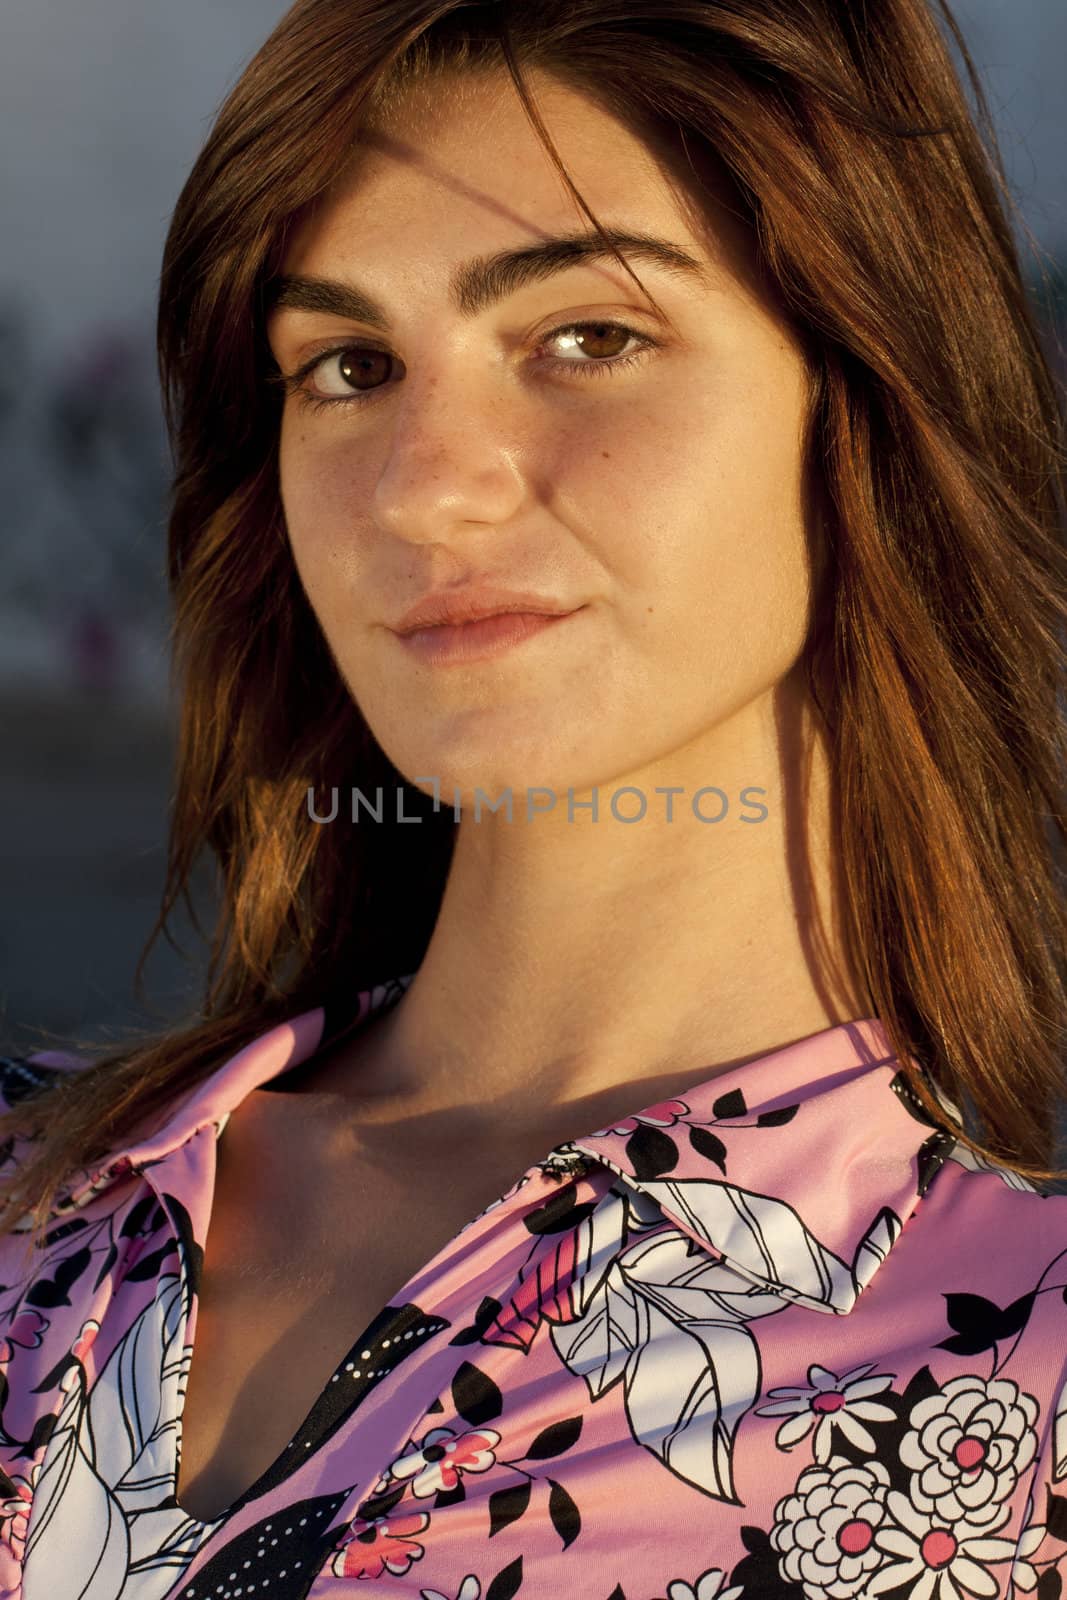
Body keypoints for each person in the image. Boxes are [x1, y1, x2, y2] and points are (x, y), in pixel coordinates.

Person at [1, 1, 1065, 1595]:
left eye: (590, 337)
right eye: (348, 365)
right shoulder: (37, 1174)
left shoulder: (1025, 1387)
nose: (425, 482)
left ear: (862, 396)